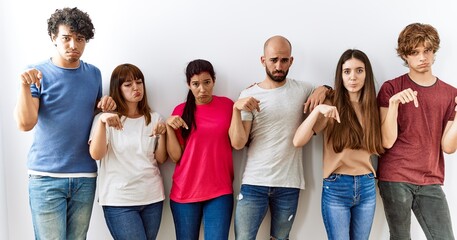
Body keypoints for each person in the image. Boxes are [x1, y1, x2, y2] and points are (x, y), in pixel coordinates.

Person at [14, 7, 116, 239]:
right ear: (53, 38)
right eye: (66, 38)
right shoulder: (36, 73)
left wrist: (106, 105)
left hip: (85, 177)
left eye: (80, 39)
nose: (73, 45)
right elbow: (25, 123)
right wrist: (23, 87)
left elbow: (93, 117)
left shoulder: (94, 74)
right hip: (45, 177)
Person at [229, 35, 329, 240]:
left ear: (291, 61)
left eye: (284, 60)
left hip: (288, 184)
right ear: (263, 60)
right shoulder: (249, 94)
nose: (278, 65)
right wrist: (236, 110)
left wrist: (325, 88)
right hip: (254, 182)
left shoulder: (303, 89)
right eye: (273, 60)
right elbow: (238, 143)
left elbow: (329, 94)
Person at [293, 49, 384, 240]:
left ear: (367, 74)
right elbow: (298, 141)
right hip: (336, 187)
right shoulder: (330, 104)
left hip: (367, 185)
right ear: (340, 75)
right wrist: (317, 110)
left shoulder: (372, 108)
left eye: (359, 71)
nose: (353, 77)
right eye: (347, 71)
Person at [377, 23, 457, 239]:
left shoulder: (450, 94)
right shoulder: (391, 88)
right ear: (405, 55)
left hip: (431, 179)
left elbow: (448, 147)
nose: (423, 57)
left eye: (427, 50)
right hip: (396, 176)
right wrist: (393, 105)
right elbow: (385, 141)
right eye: (415, 52)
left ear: (434, 51)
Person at [89, 64, 167, 240]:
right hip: (119, 201)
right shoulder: (107, 119)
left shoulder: (154, 118)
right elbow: (96, 154)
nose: (136, 88)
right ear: (118, 88)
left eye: (139, 82)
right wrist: (102, 121)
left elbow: (161, 159)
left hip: (152, 197)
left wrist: (162, 134)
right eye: (128, 84)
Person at [166, 59, 235, 240]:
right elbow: (175, 157)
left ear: (214, 80)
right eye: (196, 84)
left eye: (207, 82)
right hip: (185, 192)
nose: (202, 89)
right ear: (189, 84)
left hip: (220, 191)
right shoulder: (180, 111)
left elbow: (238, 140)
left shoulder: (228, 106)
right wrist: (168, 128)